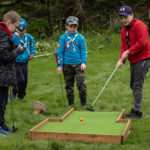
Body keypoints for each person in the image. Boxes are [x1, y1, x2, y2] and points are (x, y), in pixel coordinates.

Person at [116, 6, 150, 119]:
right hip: (134, 59)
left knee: (137, 85)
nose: (123, 20)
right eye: (121, 18)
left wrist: (129, 52)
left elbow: (142, 42)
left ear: (131, 15)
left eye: (125, 17)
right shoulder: (123, 30)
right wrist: (121, 59)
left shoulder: (140, 25)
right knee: (133, 85)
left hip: (144, 57)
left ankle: (137, 112)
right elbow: (123, 47)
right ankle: (136, 109)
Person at [0, 11, 26, 135]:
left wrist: (15, 49)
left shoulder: (5, 34)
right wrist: (18, 51)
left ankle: (2, 123)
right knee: (0, 102)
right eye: (16, 27)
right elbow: (4, 56)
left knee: (3, 101)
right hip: (1, 75)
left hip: (3, 76)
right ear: (9, 22)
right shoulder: (3, 34)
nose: (17, 30)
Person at [57, 16, 87, 108]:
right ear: (66, 26)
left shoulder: (80, 38)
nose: (72, 29)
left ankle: (83, 104)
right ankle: (71, 103)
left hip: (78, 64)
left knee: (81, 84)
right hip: (67, 65)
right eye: (71, 26)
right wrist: (60, 65)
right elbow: (60, 52)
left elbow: (83, 51)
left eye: (75, 26)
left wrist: (83, 62)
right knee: (69, 85)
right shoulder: (63, 38)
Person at [12, 18, 36, 100]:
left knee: (25, 80)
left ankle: (21, 96)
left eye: (24, 29)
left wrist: (32, 53)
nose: (22, 32)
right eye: (20, 30)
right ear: (16, 29)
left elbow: (33, 44)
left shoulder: (28, 37)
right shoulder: (14, 37)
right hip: (16, 62)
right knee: (20, 79)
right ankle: (13, 93)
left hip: (25, 61)